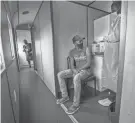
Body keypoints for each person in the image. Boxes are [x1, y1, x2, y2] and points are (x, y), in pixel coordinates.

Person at [57, 35, 92, 115]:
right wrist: (74, 70)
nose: (81, 42)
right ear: (74, 43)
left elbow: (89, 63)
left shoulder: (86, 49)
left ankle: (76, 104)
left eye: (81, 40)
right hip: (76, 70)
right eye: (79, 41)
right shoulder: (71, 52)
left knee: (76, 78)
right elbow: (72, 65)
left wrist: (78, 70)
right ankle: (65, 96)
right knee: (60, 74)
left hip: (86, 71)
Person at [98, 1, 121, 106]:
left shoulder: (120, 19)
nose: (112, 12)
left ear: (118, 8)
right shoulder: (117, 19)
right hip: (112, 51)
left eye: (113, 9)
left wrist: (105, 38)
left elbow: (116, 36)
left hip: (114, 52)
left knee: (113, 74)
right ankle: (112, 97)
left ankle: (113, 98)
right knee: (111, 74)